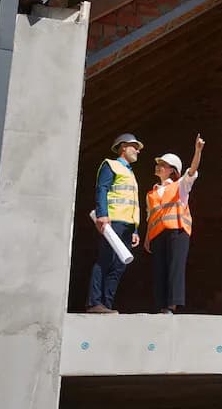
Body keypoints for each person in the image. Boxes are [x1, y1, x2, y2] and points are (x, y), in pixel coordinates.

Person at [146, 133, 205, 314]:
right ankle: (161, 305)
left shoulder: (180, 186)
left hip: (177, 232)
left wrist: (197, 151)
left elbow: (192, 171)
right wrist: (147, 238)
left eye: (163, 165)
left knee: (175, 267)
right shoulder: (151, 193)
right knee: (159, 269)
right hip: (157, 235)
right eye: (159, 164)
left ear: (172, 170)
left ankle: (171, 305)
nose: (159, 166)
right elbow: (150, 217)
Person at [87, 133, 143, 314]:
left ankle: (106, 305)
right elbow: (102, 189)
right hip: (113, 221)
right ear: (123, 147)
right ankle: (95, 302)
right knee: (105, 260)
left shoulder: (130, 172)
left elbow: (132, 202)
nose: (138, 151)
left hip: (127, 225)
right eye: (134, 147)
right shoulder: (110, 165)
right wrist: (102, 214)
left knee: (119, 266)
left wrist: (135, 229)